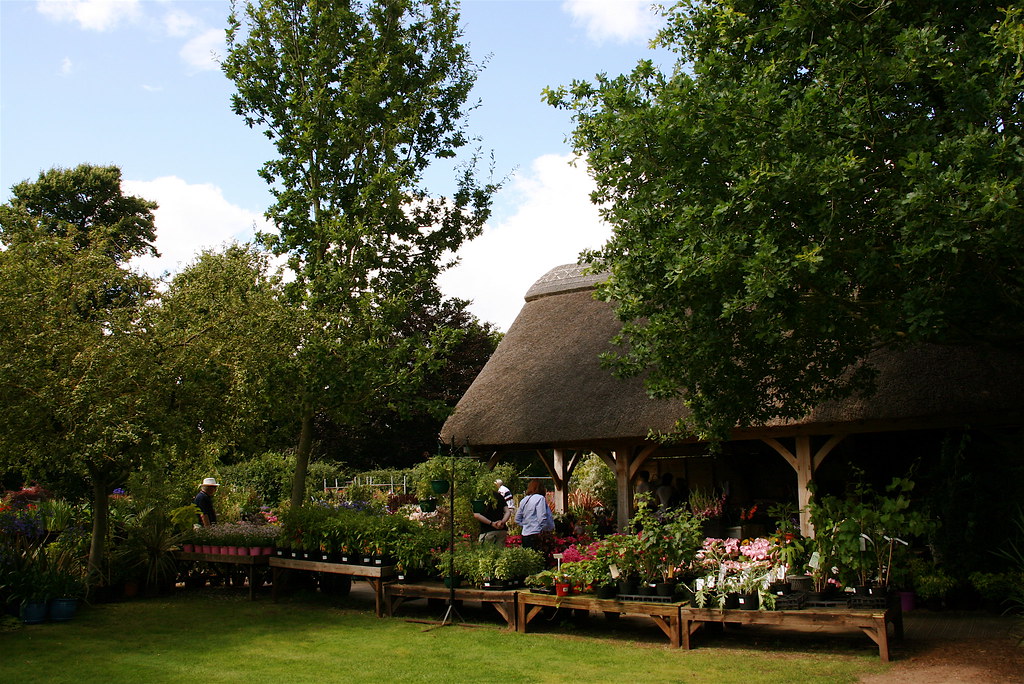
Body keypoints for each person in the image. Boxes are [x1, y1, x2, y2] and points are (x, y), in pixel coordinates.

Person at [514, 479, 554, 550]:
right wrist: (545, 530)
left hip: (525, 534)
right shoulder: (540, 498)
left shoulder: (524, 500)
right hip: (536, 534)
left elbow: (517, 519)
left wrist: (526, 524)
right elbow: (542, 517)